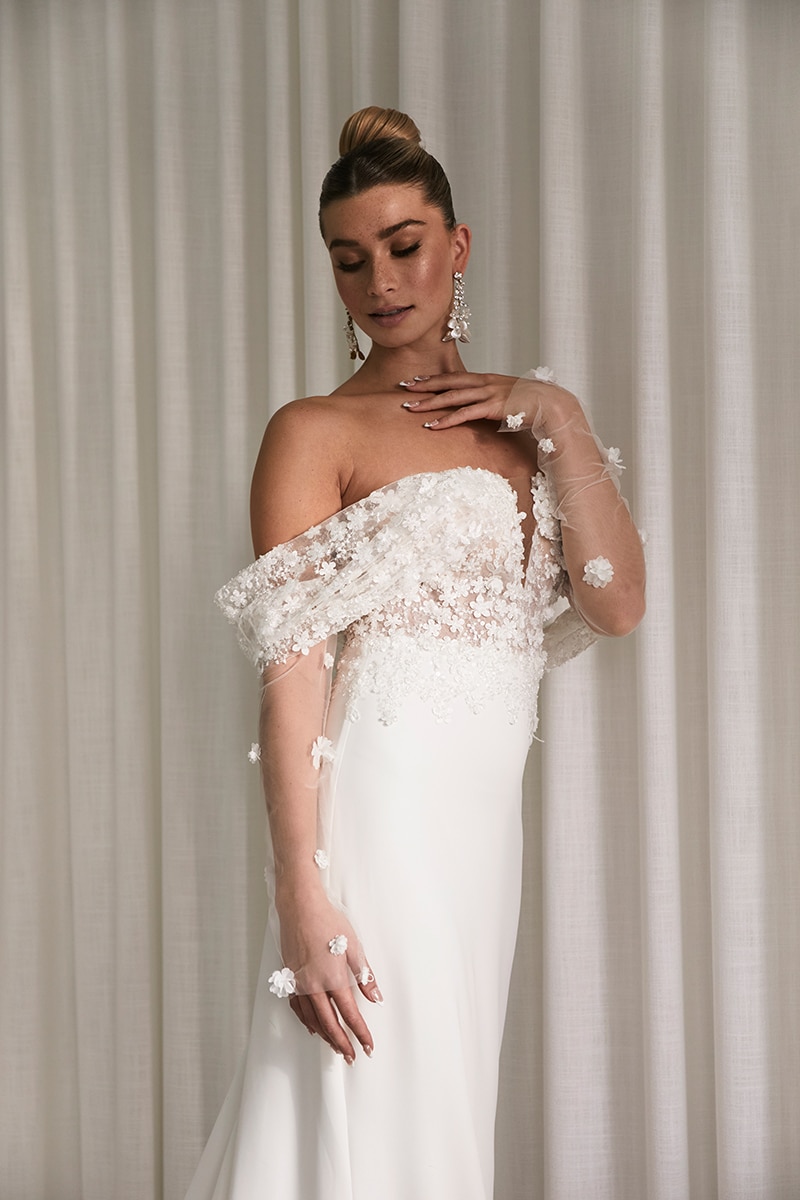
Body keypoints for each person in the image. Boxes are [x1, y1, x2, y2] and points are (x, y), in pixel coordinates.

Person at [186, 106, 645, 1200]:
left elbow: (618, 603)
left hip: (479, 837)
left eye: (403, 246)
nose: (380, 282)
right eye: (349, 260)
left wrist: (558, 415)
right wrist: (300, 896)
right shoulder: (313, 432)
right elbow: (293, 677)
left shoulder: (528, 431)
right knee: (369, 1097)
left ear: (457, 244)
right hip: (377, 821)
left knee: (441, 1106)